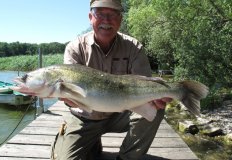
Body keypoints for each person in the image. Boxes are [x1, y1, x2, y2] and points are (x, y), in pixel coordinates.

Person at [51, 0, 172, 159]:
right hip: (84, 117)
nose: (106, 20)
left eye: (113, 14)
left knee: (155, 107)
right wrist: (68, 98)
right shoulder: (75, 48)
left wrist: (156, 97)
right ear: (90, 17)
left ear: (120, 19)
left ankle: (126, 157)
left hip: (121, 114)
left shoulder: (134, 47)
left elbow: (145, 86)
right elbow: (69, 94)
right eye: (100, 14)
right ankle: (92, 142)